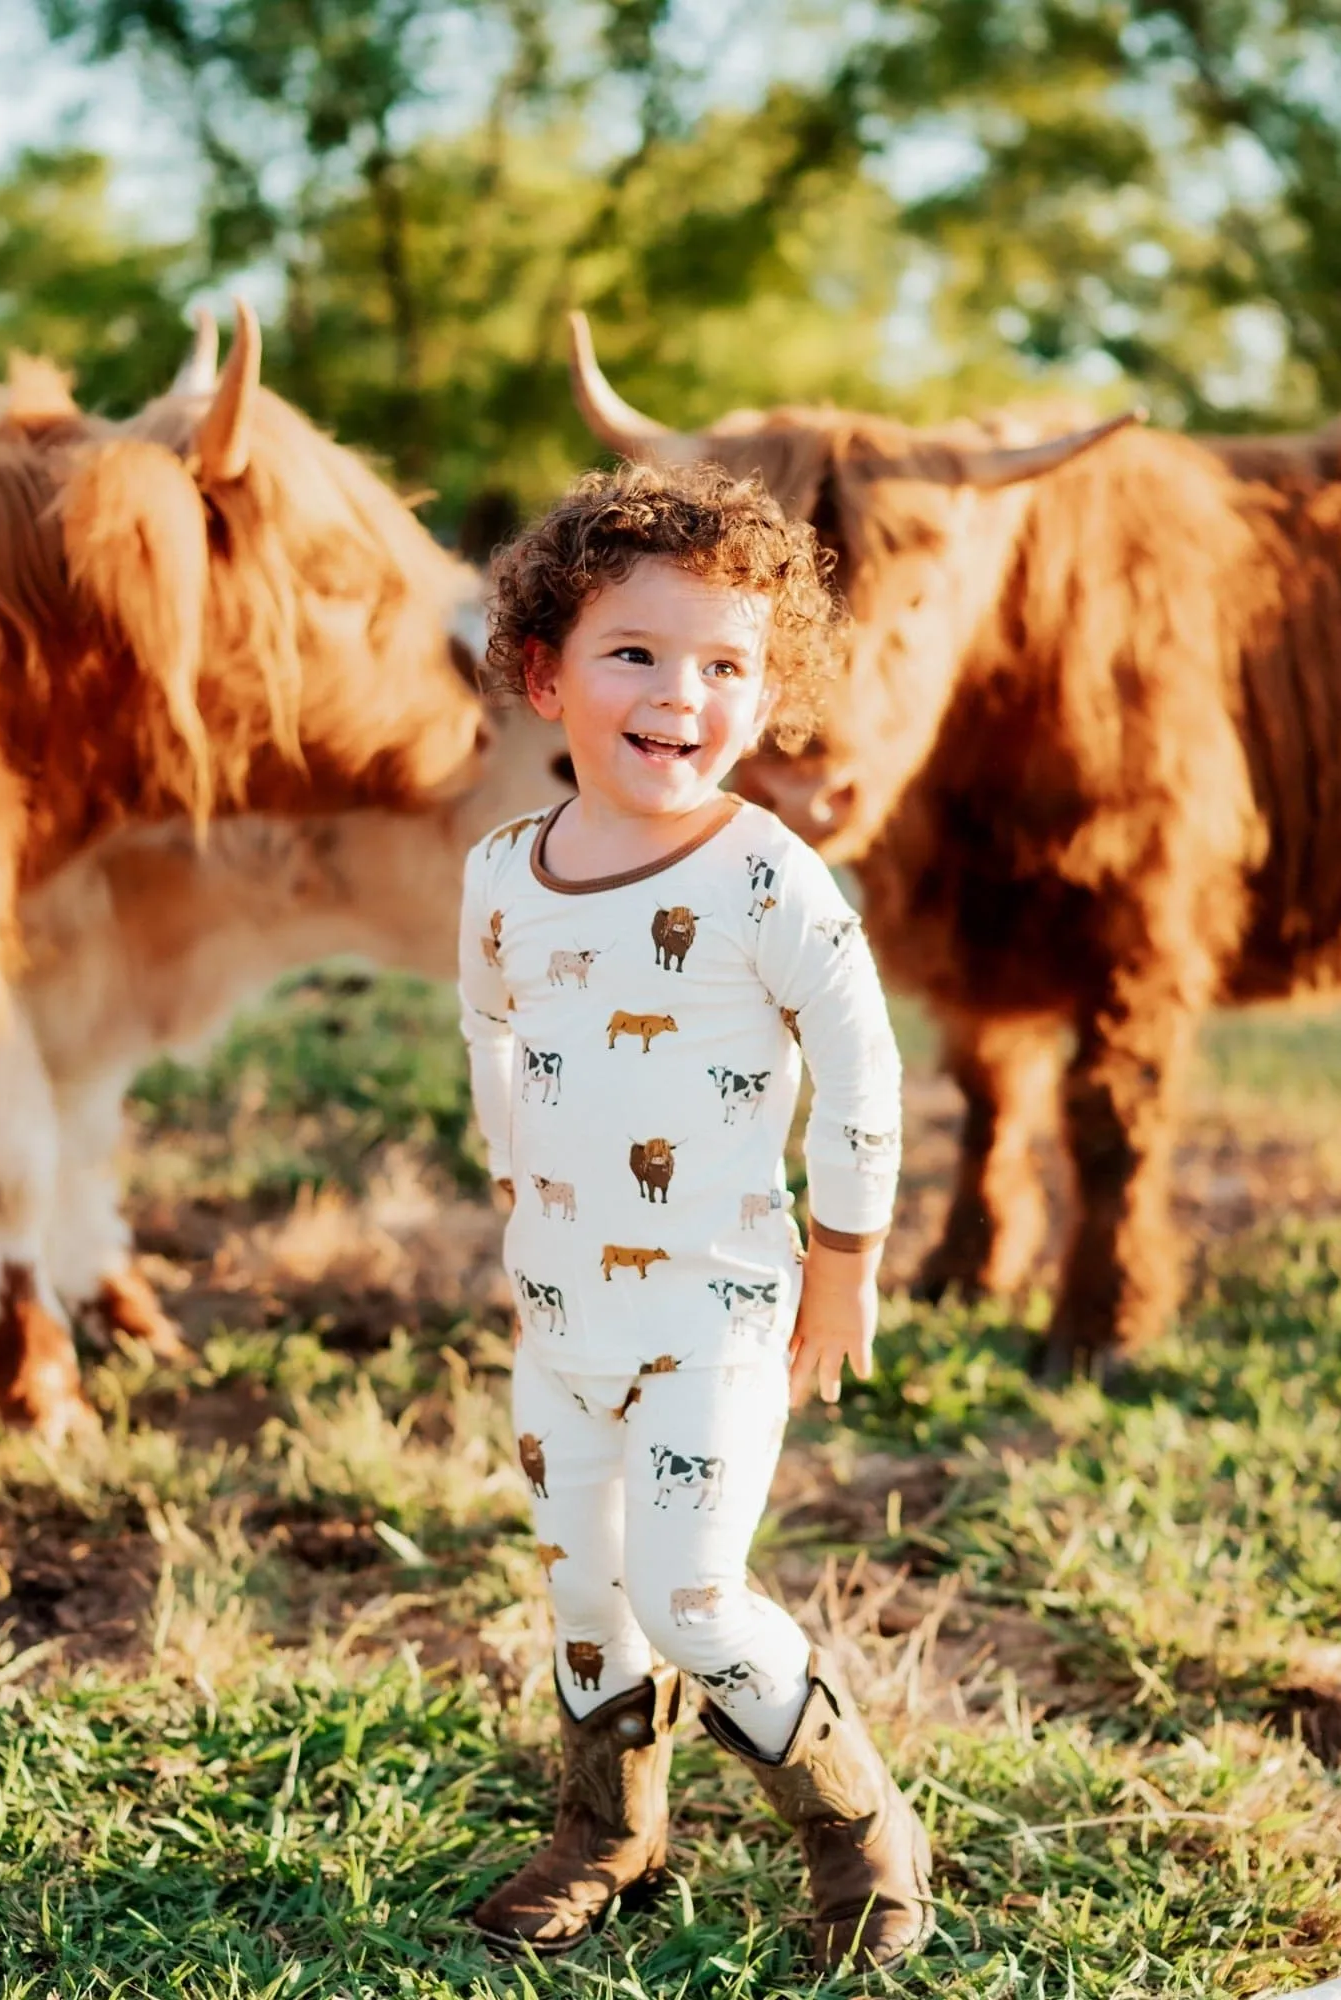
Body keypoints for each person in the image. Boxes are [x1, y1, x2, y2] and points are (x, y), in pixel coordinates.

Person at [457, 463, 932, 1968]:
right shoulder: (497, 878)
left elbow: (862, 1065)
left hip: (718, 1311)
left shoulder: (768, 881)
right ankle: (609, 1825)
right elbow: (492, 1033)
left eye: (727, 665)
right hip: (561, 1309)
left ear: (766, 689)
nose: (683, 695)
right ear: (547, 676)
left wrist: (846, 1263)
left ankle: (856, 1830)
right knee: (584, 1589)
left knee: (689, 1589)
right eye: (637, 655)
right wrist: (514, 1184)